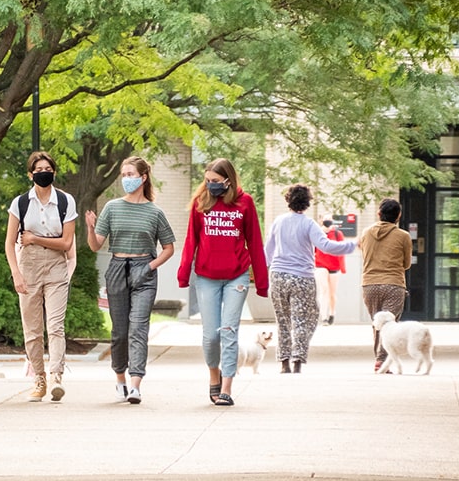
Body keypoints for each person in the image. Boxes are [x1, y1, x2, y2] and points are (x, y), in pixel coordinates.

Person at [176, 158, 268, 407]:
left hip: (236, 275)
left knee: (229, 331)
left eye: (215, 182)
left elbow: (255, 243)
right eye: (207, 181)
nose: (210, 185)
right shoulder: (201, 203)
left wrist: (262, 282)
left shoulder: (245, 202)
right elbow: (190, 241)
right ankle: (213, 375)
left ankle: (227, 387)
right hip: (206, 277)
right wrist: (184, 274)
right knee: (210, 336)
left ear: (228, 180)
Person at [85, 156, 175, 405]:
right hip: (117, 268)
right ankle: (120, 380)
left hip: (143, 269)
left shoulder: (155, 212)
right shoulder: (112, 207)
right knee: (120, 331)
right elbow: (95, 245)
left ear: (143, 177)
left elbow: (169, 248)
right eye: (123, 175)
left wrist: (149, 266)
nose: (126, 179)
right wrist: (90, 228)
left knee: (138, 327)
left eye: (130, 174)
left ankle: (136, 384)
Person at [4, 151, 78, 402]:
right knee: (32, 329)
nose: (43, 173)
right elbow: (9, 242)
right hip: (29, 264)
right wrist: (16, 273)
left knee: (56, 326)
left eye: (47, 168)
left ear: (54, 172)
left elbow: (67, 243)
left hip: (56, 265)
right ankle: (39, 377)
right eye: (38, 169)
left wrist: (34, 237)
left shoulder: (66, 202)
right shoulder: (20, 203)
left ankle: (56, 375)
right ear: (30, 174)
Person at [264, 184, 355, 373]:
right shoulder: (309, 224)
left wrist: (260, 275)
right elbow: (327, 246)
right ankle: (297, 360)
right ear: (307, 203)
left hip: (278, 276)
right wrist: (353, 245)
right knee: (305, 318)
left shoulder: (278, 221)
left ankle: (284, 363)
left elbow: (268, 252)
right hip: (302, 278)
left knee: (283, 320)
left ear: (288, 200)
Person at [357, 198, 412, 372]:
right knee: (390, 324)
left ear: (378, 214)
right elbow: (407, 264)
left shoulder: (365, 233)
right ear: (399, 216)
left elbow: (363, 254)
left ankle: (380, 360)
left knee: (378, 324)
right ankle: (382, 360)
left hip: (370, 285)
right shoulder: (403, 236)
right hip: (394, 284)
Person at [314, 217, 346, 326]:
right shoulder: (317, 233)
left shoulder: (337, 234)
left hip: (334, 265)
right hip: (320, 264)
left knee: (332, 293)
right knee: (324, 290)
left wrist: (343, 267)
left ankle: (332, 313)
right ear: (321, 221)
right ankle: (323, 317)